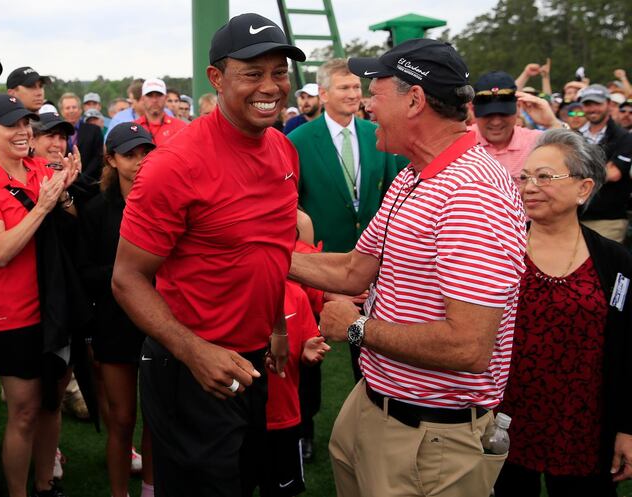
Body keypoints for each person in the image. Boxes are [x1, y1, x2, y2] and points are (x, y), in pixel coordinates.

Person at [289, 39, 527, 497]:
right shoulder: (414, 173)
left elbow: (469, 346)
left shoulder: (472, 195)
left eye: (374, 92)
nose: (366, 104)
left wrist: (357, 328)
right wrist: (260, 256)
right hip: (377, 407)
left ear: (415, 99)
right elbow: (355, 272)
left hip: (430, 437)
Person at [111, 12, 305, 497]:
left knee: (244, 480)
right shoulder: (173, 165)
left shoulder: (282, 148)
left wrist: (278, 326)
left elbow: (272, 251)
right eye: (253, 73)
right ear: (216, 79)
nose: (271, 86)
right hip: (189, 369)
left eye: (279, 72)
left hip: (254, 359)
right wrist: (194, 352)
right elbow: (126, 279)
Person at [493, 129, 632, 496]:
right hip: (503, 424)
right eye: (525, 177)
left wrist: (627, 428)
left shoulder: (615, 261)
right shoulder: (499, 249)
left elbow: (628, 350)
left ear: (584, 189)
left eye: (545, 177)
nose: (529, 187)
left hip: (583, 427)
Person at [0, 94, 80, 497]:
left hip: (55, 309)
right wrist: (43, 205)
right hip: (15, 315)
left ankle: (45, 485)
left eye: (25, 124)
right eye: (12, 125)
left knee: (51, 405)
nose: (23, 131)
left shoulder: (41, 169)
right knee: (25, 412)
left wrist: (64, 194)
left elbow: (71, 225)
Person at [288, 57, 406, 395]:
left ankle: (372, 399)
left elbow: (397, 187)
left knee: (367, 344)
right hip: (320, 264)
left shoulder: (378, 134)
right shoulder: (300, 140)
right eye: (345, 87)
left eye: (357, 86)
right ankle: (304, 432)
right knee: (308, 347)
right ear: (323, 94)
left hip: (374, 264)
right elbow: (292, 203)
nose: (354, 93)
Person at [81, 122, 157, 497]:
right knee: (123, 418)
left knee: (157, 419)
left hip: (158, 323)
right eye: (130, 154)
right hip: (114, 324)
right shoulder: (96, 210)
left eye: (146, 153)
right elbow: (86, 273)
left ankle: (150, 488)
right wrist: (128, 274)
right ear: (111, 159)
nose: (140, 162)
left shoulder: (164, 206)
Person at [254, 277, 330, 497]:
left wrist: (308, 350)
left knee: (281, 490)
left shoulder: (296, 295)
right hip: (238, 416)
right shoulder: (237, 291)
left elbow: (307, 341)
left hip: (283, 416)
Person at [470, 71, 566, 178]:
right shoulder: (460, 141)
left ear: (518, 107)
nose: (496, 122)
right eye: (487, 115)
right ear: (473, 110)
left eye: (503, 114)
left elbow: (577, 162)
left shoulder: (536, 142)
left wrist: (553, 123)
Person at [577, 84, 632, 243]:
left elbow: (613, 174)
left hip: (608, 219)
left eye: (597, 103)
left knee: (604, 267)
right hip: (575, 217)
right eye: (588, 104)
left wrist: (577, 173)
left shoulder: (624, 137)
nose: (592, 108)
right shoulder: (575, 135)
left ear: (609, 104)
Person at [58, 92, 104, 180]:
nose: (71, 110)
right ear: (62, 112)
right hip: (63, 180)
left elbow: (98, 157)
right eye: (67, 108)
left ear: (80, 110)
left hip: (89, 181)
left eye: (74, 107)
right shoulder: (58, 133)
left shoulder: (94, 130)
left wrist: (81, 176)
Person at [134, 78, 187, 146]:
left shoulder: (180, 127)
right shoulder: (134, 128)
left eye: (159, 95)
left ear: (165, 98)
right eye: (149, 95)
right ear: (143, 99)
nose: (154, 100)